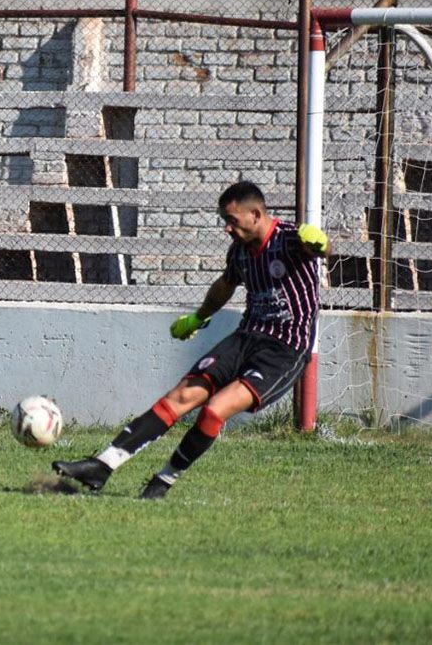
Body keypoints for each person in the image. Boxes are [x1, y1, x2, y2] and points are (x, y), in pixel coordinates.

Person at [52, 181, 329, 499]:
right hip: (246, 336)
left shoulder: (291, 239)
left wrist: (320, 243)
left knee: (214, 411)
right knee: (180, 396)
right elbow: (227, 284)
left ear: (255, 214)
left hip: (285, 349)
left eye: (232, 220)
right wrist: (199, 317)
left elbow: (321, 250)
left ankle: (162, 482)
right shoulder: (239, 249)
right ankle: (102, 465)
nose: (227, 228)